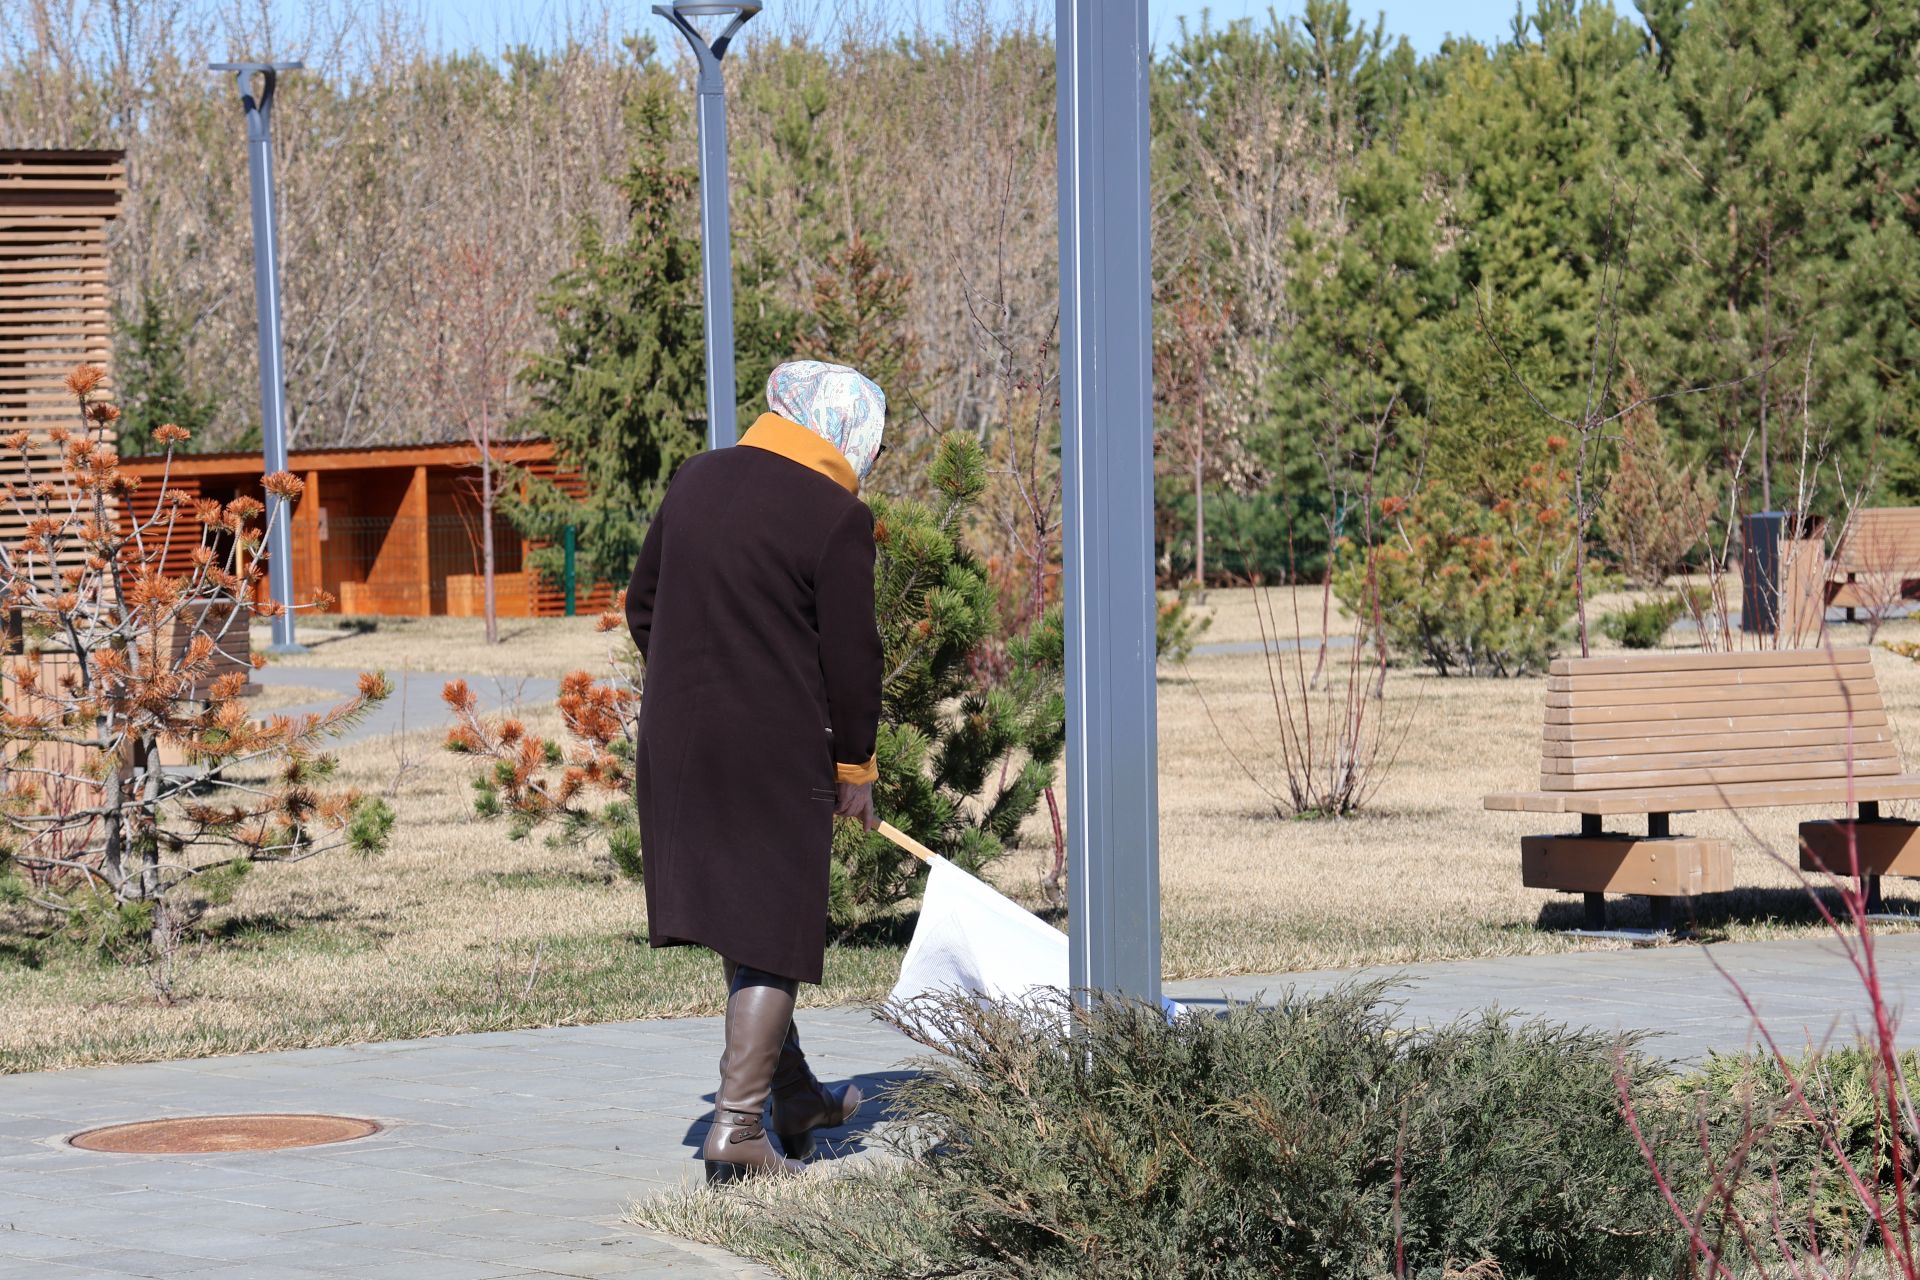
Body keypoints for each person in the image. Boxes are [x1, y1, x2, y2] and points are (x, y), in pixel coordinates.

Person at [625, 360, 886, 1181]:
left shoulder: (697, 478)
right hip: (773, 750)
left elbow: (643, 607)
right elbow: (853, 661)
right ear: (847, 433)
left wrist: (694, 681)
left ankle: (797, 1095)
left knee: (746, 916)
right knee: (773, 926)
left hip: (676, 739)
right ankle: (737, 1130)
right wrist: (856, 765)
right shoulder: (835, 517)